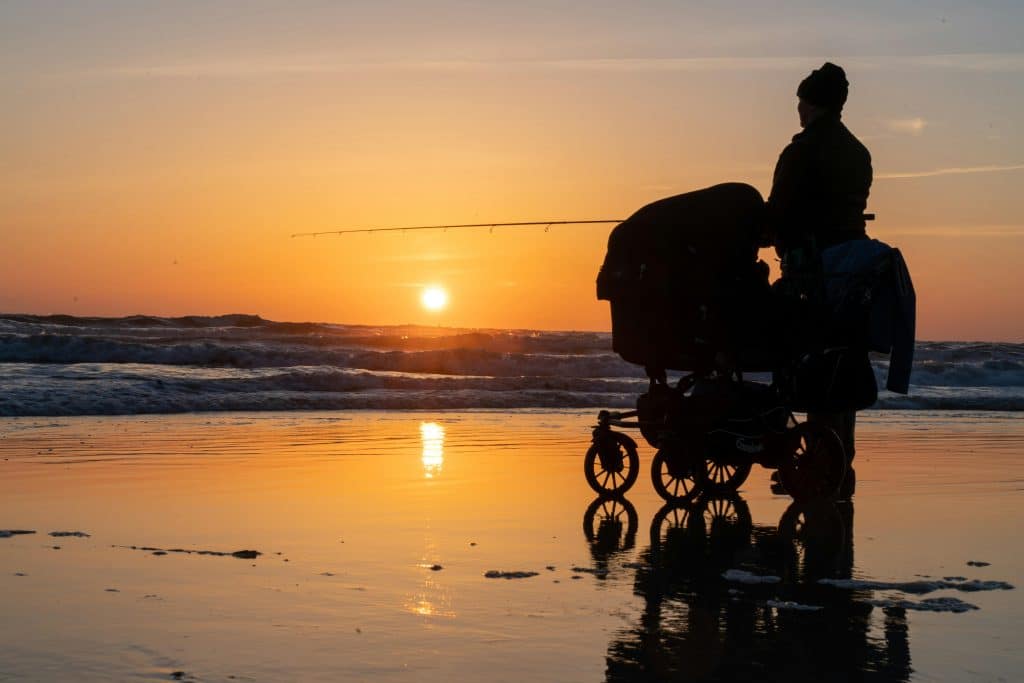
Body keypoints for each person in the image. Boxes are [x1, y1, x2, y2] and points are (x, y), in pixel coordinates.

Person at [767, 62, 872, 499]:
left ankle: (811, 455)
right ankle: (839, 455)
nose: (798, 110)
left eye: (800, 103)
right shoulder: (858, 153)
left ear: (811, 104)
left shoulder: (801, 151)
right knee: (840, 365)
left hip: (813, 273)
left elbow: (777, 215)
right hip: (855, 272)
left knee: (793, 349)